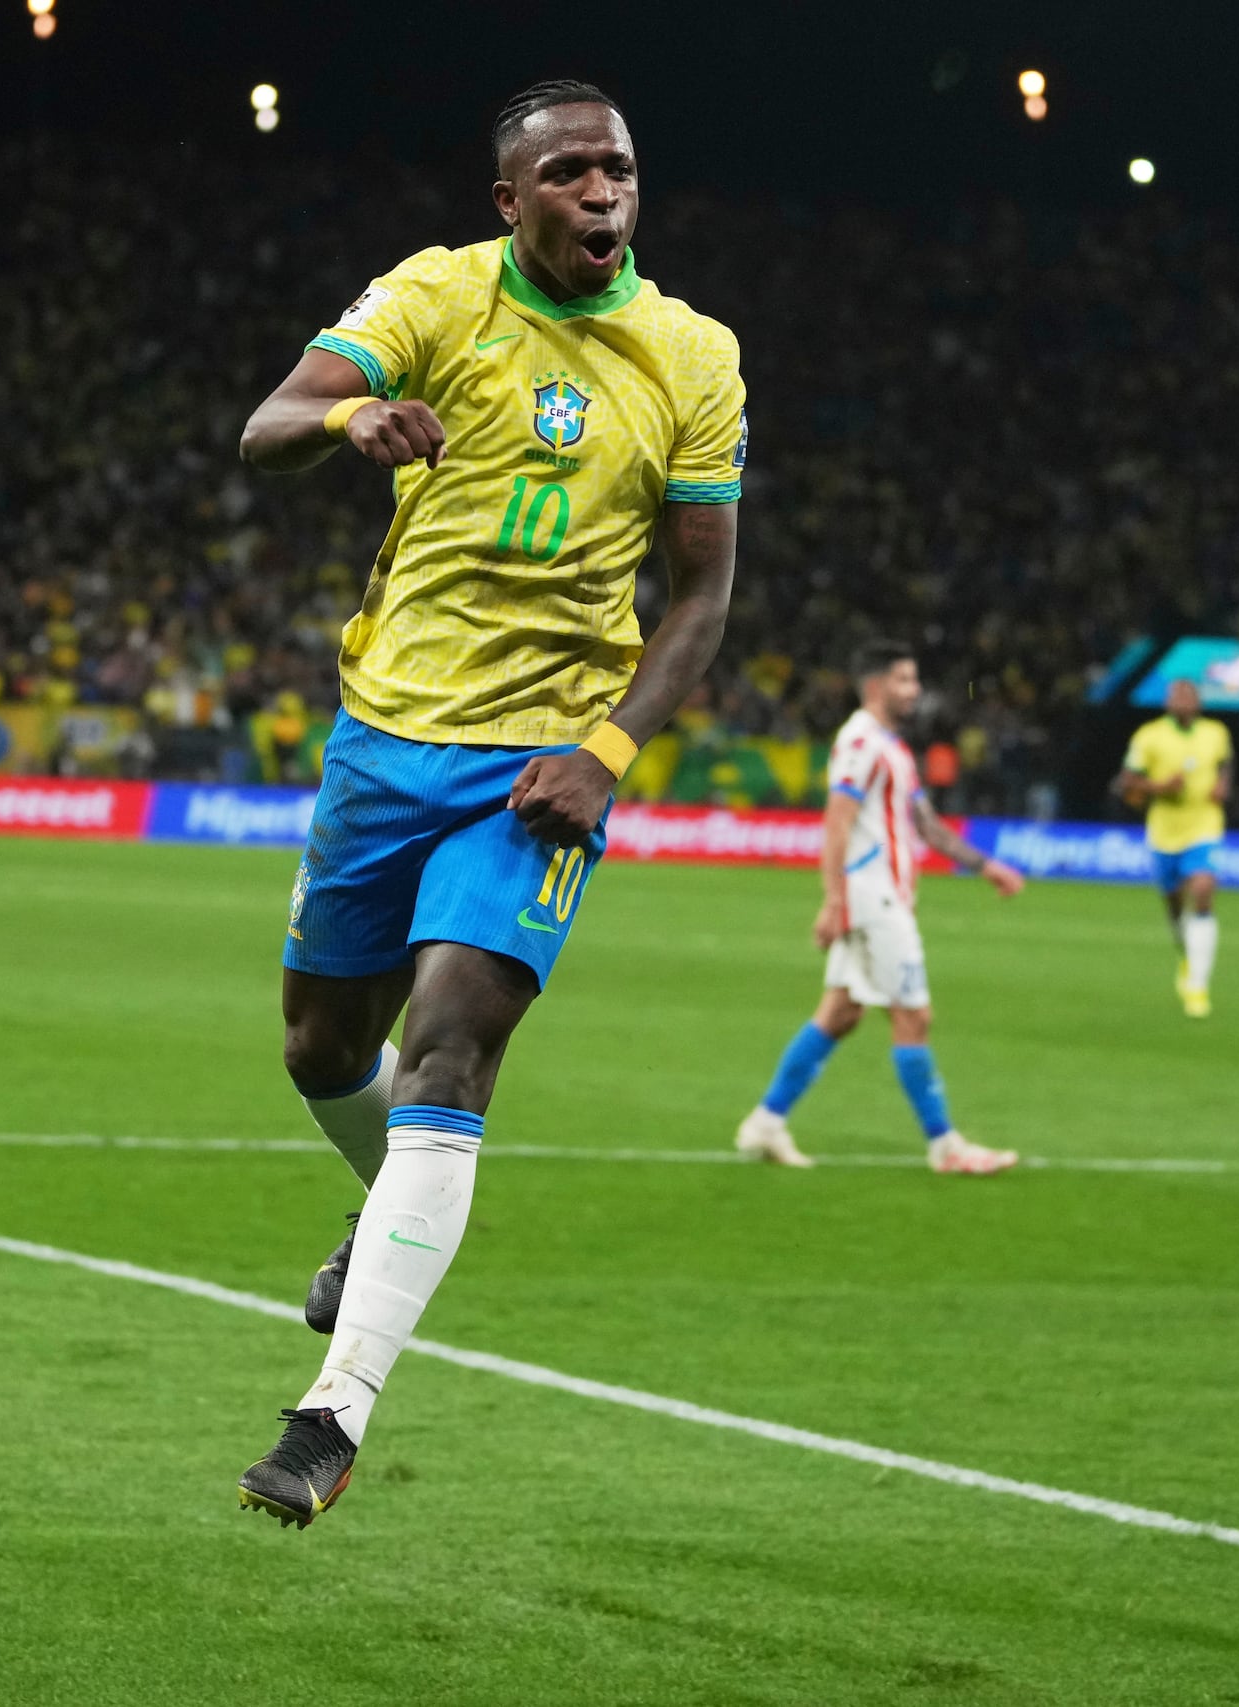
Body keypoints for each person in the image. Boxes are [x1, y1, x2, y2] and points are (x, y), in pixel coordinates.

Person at [229, 79, 744, 1527]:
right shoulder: (434, 298)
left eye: (620, 169)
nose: (602, 192)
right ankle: (377, 1201)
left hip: (542, 764)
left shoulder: (693, 354)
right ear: (509, 199)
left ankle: (333, 1411)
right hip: (389, 734)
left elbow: (703, 596)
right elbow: (268, 424)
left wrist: (613, 749)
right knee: (323, 1044)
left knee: (448, 1046)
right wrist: (352, 421)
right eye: (569, 171)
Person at [735, 641, 1026, 1172]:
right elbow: (837, 822)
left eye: (915, 681)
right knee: (914, 1016)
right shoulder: (860, 742)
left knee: (841, 1013)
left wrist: (987, 867)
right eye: (904, 680)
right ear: (875, 686)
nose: (914, 690)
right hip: (874, 899)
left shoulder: (892, 747)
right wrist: (833, 902)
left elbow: (925, 824)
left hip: (882, 896)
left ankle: (764, 1124)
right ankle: (947, 1147)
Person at [1113, 678, 1233, 1017]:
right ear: (1167, 702)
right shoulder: (1149, 736)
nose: (1182, 701)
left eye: (1188, 695)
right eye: (1175, 696)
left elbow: (1225, 765)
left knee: (1204, 887)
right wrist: (1158, 786)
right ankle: (1186, 955)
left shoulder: (1216, 733)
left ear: (1198, 702)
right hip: (1165, 830)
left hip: (1205, 825)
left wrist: (1223, 785)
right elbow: (1127, 781)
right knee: (1174, 904)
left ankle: (1197, 983)